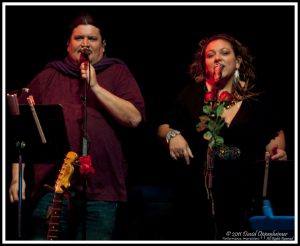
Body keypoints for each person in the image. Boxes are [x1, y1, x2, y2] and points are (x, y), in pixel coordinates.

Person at [8, 13, 145, 240]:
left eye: (92, 39)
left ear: (103, 45)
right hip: (50, 188)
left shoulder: (118, 72)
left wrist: (95, 86)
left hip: (102, 191)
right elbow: (21, 129)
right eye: (79, 38)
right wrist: (16, 177)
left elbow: (134, 119)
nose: (85, 44)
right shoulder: (49, 75)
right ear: (68, 44)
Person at [157, 33, 288, 240]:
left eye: (224, 53)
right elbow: (163, 126)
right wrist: (172, 135)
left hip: (243, 199)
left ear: (237, 62)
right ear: (205, 64)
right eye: (210, 55)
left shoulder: (257, 98)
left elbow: (275, 133)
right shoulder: (190, 94)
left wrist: (277, 151)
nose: (217, 58)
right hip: (195, 198)